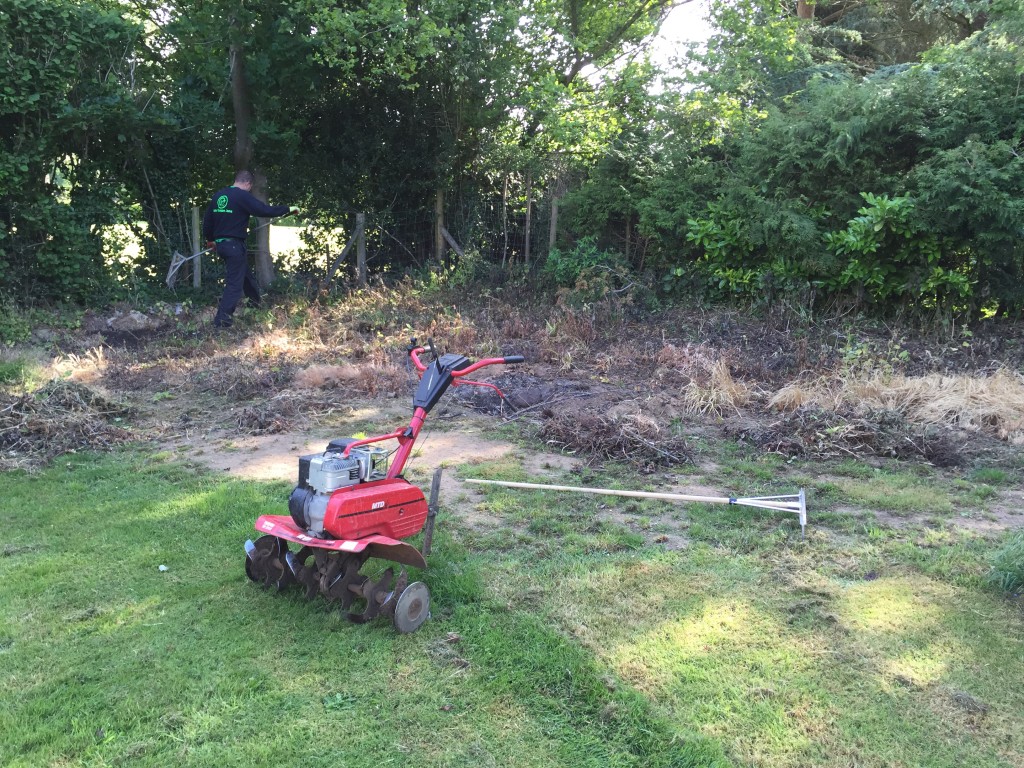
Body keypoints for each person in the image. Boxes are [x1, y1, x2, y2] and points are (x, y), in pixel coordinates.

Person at [202, 170, 299, 328]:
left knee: (246, 277)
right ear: (248, 184)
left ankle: (255, 305)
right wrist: (287, 209)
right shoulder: (242, 195)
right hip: (234, 246)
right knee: (234, 284)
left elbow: (207, 222)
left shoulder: (219, 195)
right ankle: (222, 321)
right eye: (250, 187)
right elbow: (264, 210)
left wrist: (210, 240)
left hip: (222, 245)